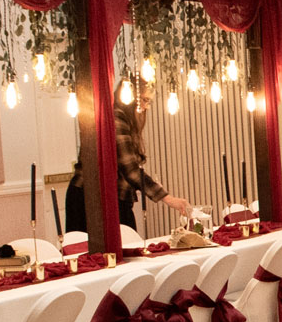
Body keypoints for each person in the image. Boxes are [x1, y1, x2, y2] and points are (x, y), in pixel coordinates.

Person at [63, 100, 190, 234]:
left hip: (111, 198)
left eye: (149, 102)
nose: (146, 106)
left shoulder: (121, 119)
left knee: (127, 244)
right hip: (90, 198)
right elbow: (130, 170)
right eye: (145, 100)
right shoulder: (115, 119)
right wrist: (168, 198)